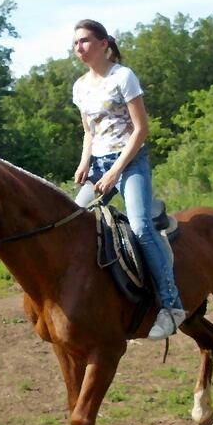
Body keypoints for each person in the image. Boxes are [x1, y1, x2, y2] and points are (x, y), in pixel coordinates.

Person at [71, 19, 186, 340]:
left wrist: (114, 171)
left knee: (140, 227)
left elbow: (141, 129)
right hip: (98, 166)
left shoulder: (123, 76)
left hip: (131, 161)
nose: (79, 48)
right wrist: (85, 163)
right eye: (76, 43)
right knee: (73, 222)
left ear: (104, 43)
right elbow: (88, 132)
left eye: (85, 41)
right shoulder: (80, 87)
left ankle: (172, 306)